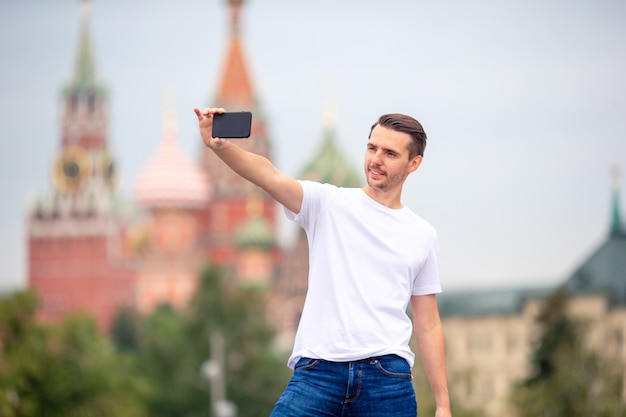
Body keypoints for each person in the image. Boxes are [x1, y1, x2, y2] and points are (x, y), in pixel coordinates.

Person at [194, 107, 451, 417]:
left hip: (386, 376)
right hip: (318, 372)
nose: (376, 160)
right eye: (372, 148)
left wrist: (442, 404)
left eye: (390, 153)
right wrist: (220, 146)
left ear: (414, 163)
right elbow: (269, 175)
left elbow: (429, 323)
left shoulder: (422, 234)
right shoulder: (329, 204)